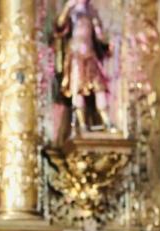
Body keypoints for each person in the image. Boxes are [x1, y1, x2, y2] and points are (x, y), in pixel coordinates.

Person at [55, 0, 112, 133]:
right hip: (76, 55)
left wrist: (103, 37)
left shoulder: (91, 11)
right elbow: (59, 26)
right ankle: (81, 124)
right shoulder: (71, 11)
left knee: (100, 88)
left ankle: (107, 122)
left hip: (90, 56)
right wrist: (68, 7)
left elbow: (100, 36)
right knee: (78, 89)